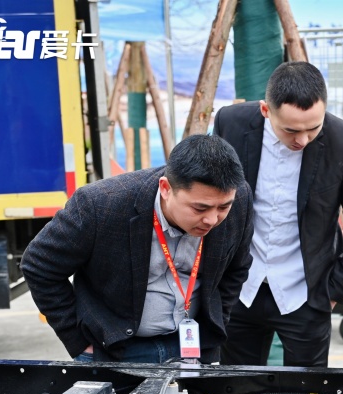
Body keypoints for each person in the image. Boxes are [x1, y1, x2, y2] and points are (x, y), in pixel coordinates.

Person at [21, 135, 254, 364]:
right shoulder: (101, 205)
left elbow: (238, 267)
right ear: (165, 188)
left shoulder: (240, 198)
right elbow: (38, 264)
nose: (212, 219)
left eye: (223, 207)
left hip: (194, 346)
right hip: (115, 349)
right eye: (200, 208)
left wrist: (216, 321)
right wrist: (78, 340)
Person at [213, 61, 343, 367]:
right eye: (290, 130)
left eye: (313, 128)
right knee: (236, 386)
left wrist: (334, 291)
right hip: (240, 287)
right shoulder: (230, 122)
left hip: (307, 293)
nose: (302, 140)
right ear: (266, 110)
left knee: (307, 391)